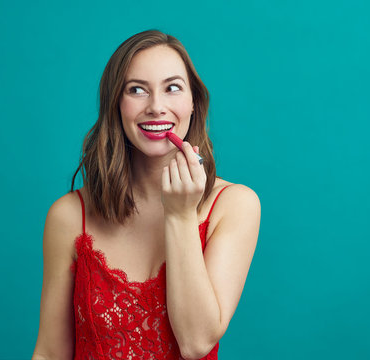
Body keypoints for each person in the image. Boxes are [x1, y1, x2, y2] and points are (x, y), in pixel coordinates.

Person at [31, 30, 261, 360]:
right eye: (137, 90)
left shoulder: (235, 205)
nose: (156, 107)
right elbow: (50, 353)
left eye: (172, 88)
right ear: (116, 104)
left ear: (192, 102)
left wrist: (181, 214)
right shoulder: (69, 216)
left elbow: (196, 343)